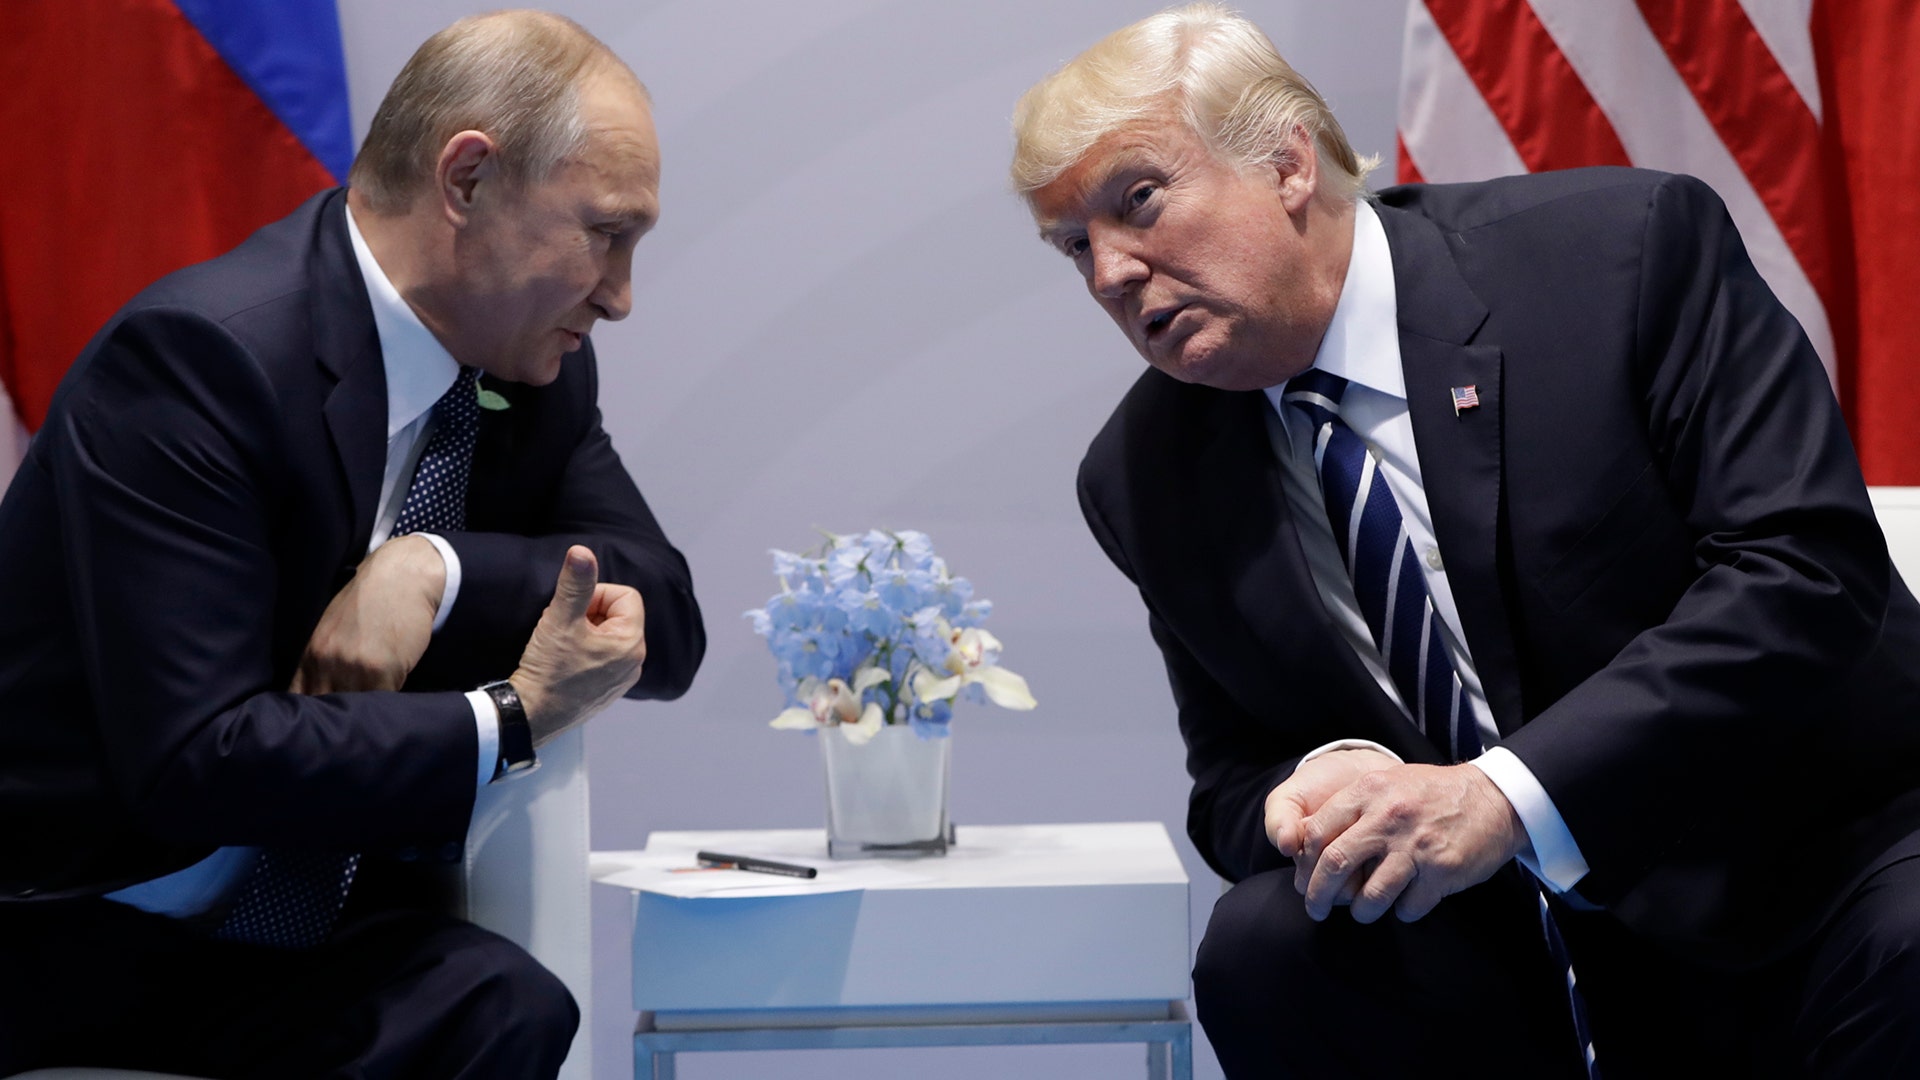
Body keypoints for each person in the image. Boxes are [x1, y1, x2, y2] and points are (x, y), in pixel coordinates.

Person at [1012, 5, 1920, 1077]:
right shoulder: (1148, 473)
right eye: (1077, 246)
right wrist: (1327, 778)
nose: (1111, 273)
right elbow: (1227, 783)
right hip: (1500, 937)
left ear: (1288, 162)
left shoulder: (1616, 258)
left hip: (1814, 860)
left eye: (1141, 202)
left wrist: (1501, 794)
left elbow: (1804, 571)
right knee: (1268, 947)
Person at [0, 11, 705, 1079]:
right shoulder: (202, 362)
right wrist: (508, 720)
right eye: (605, 233)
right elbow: (197, 762)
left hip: (294, 940)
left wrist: (436, 569)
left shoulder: (529, 369)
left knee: (507, 1003)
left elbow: (668, 615)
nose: (620, 295)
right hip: (69, 933)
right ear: (466, 181)